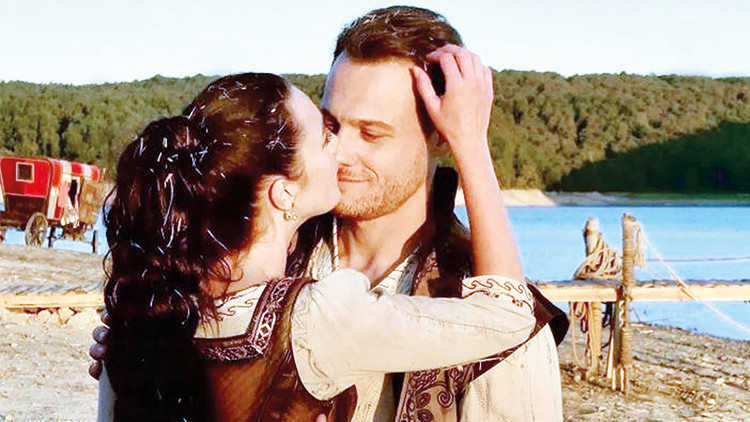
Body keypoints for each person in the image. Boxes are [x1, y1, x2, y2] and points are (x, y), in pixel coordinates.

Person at [97, 68, 539, 421]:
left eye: (371, 133)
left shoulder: (144, 315)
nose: (341, 153)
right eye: (327, 135)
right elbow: (512, 318)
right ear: (284, 193)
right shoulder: (319, 317)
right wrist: (471, 144)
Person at [285, 6, 569, 421]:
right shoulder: (274, 251)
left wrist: (472, 144)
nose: (339, 153)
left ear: (440, 136)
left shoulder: (490, 311)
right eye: (331, 125)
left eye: (371, 133)